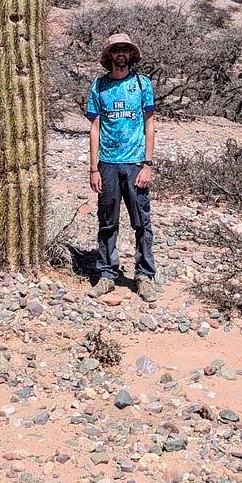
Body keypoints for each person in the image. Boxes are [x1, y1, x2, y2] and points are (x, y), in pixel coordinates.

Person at [86, 32, 158, 302]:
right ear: (109, 56)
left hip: (135, 163)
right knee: (107, 222)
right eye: (116, 50)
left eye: (125, 50)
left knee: (141, 221)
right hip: (107, 164)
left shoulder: (142, 84)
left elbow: (149, 125)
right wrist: (93, 168)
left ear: (131, 55)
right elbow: (94, 128)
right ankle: (106, 275)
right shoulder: (99, 86)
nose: (121, 54)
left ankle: (144, 276)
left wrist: (148, 164)